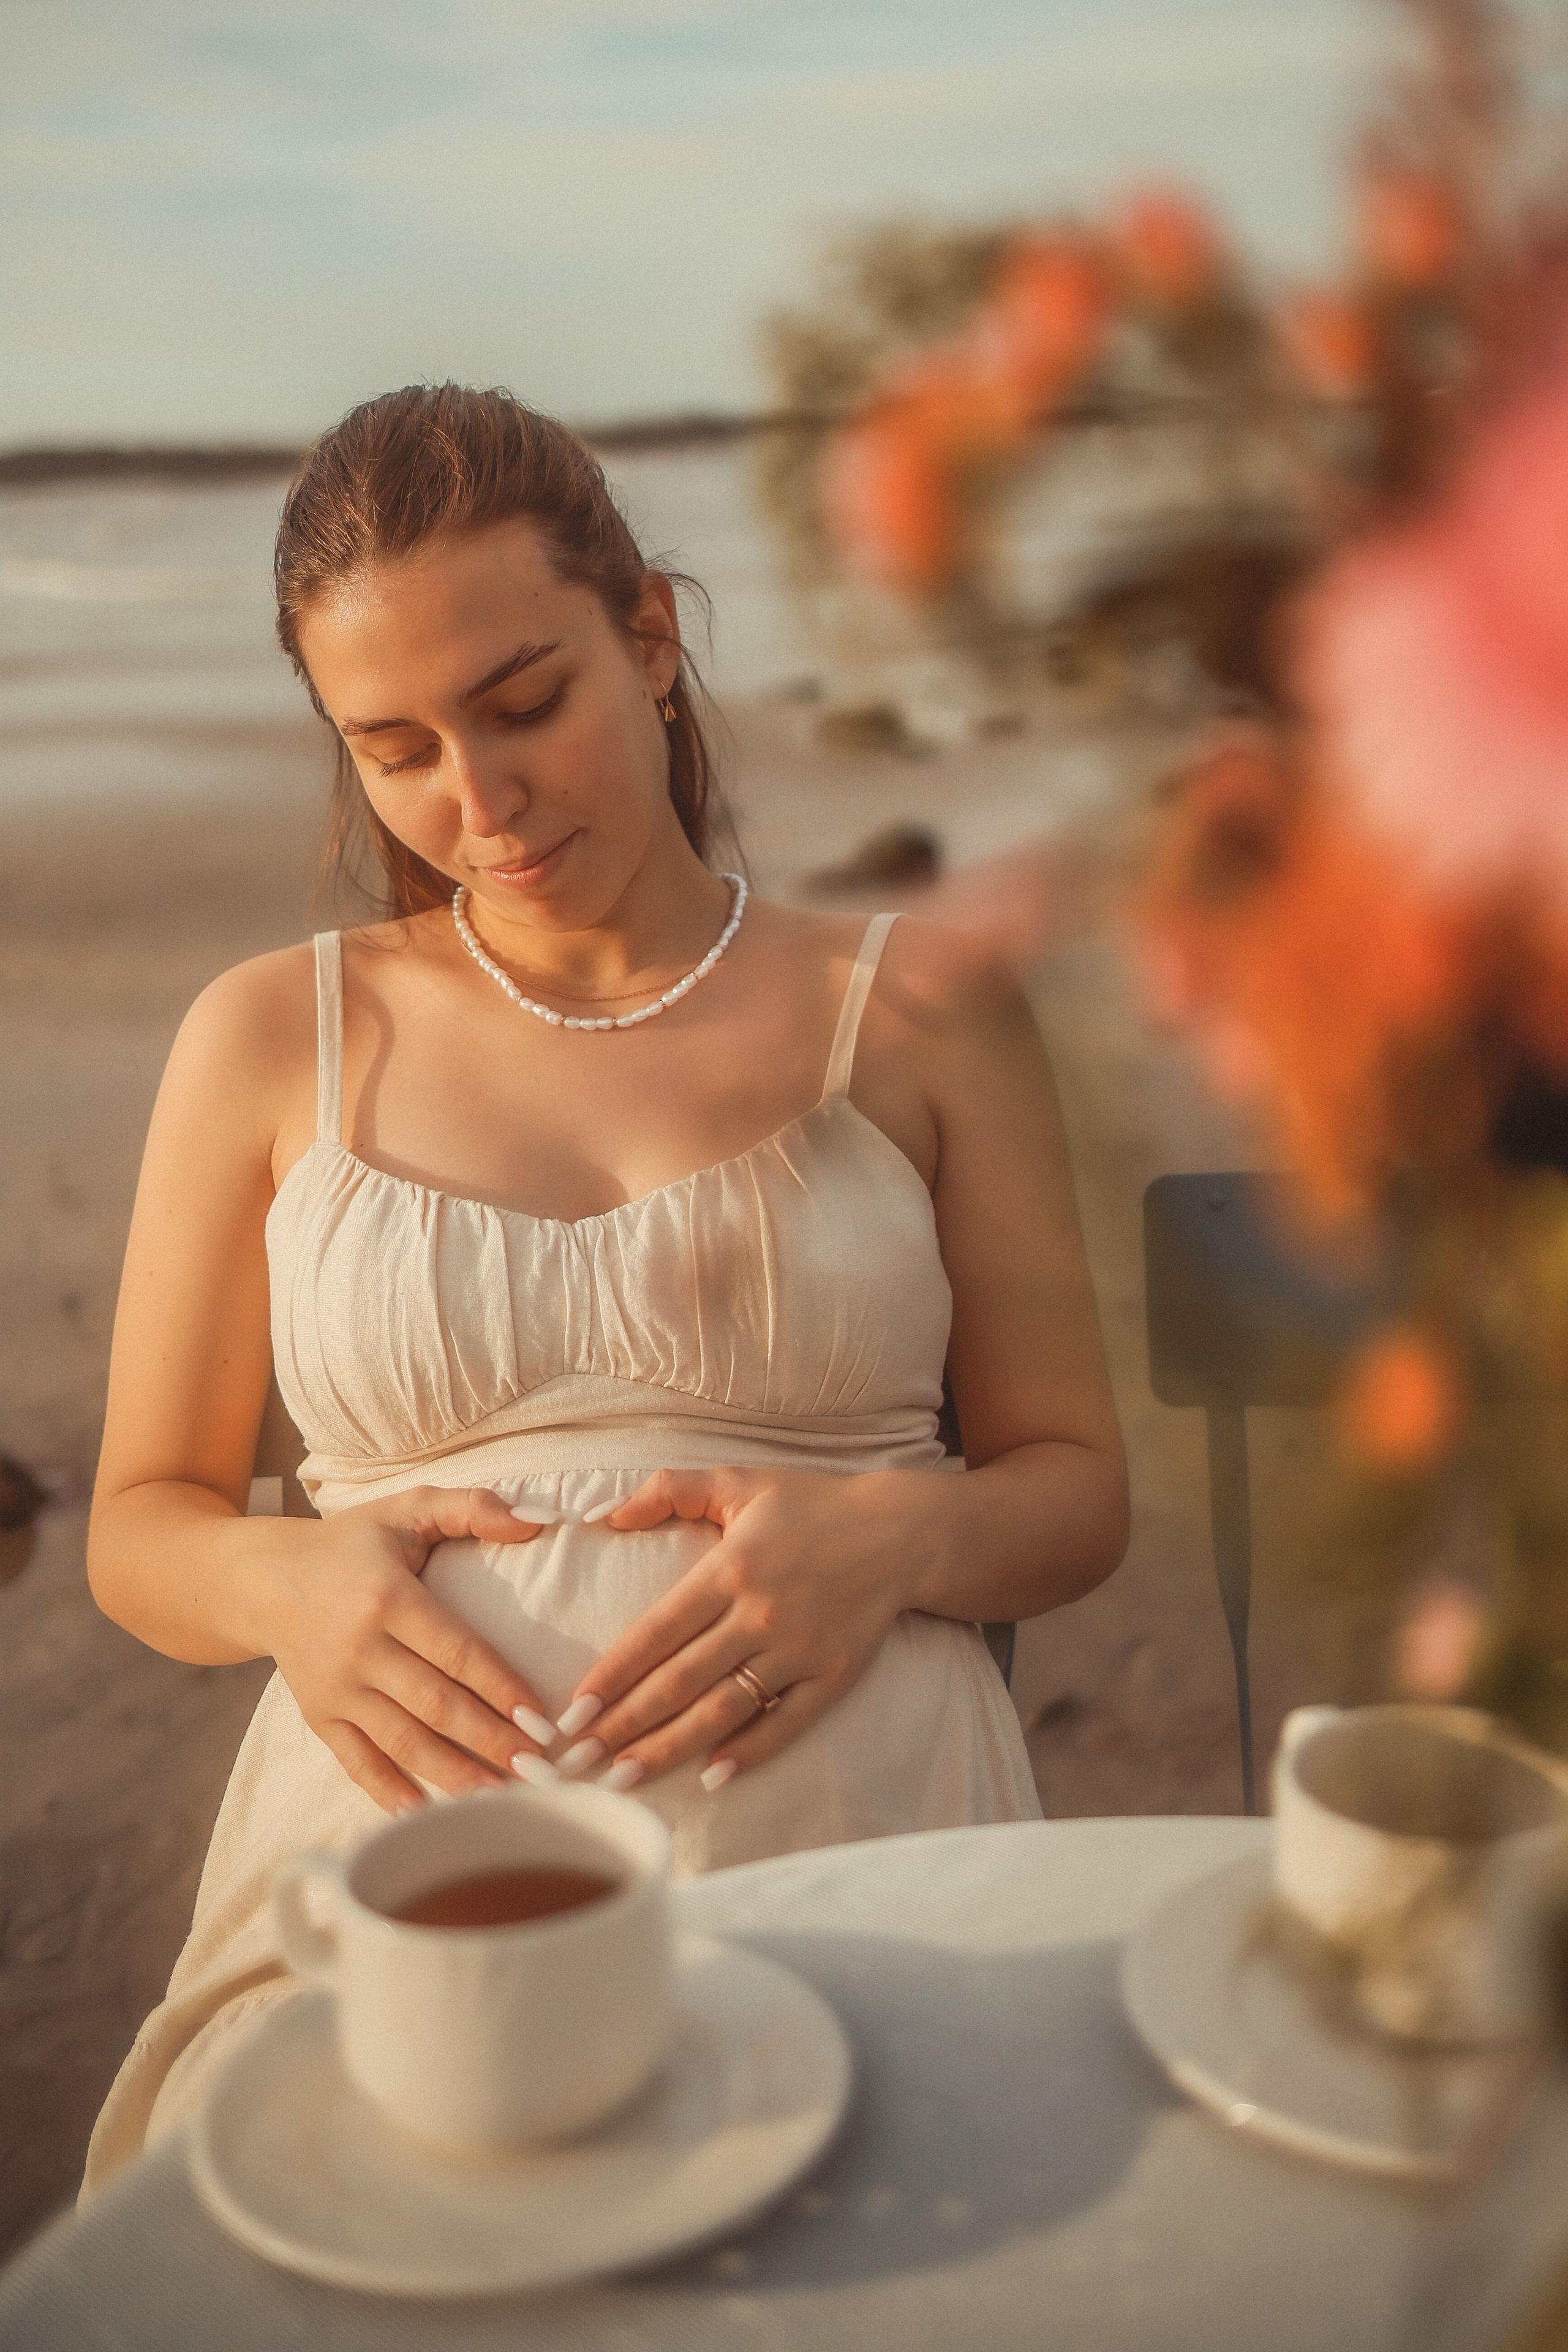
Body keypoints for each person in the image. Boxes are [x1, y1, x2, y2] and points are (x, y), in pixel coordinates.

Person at [81, 384, 1128, 2186]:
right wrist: (288, 1579)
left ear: (648, 635)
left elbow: (1075, 1492)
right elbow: (138, 1528)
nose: (475, 805)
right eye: (395, 748)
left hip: (858, 1847)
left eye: (523, 703)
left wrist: (896, 1538)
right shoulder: (269, 1037)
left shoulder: (924, 1009)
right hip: (397, 1883)